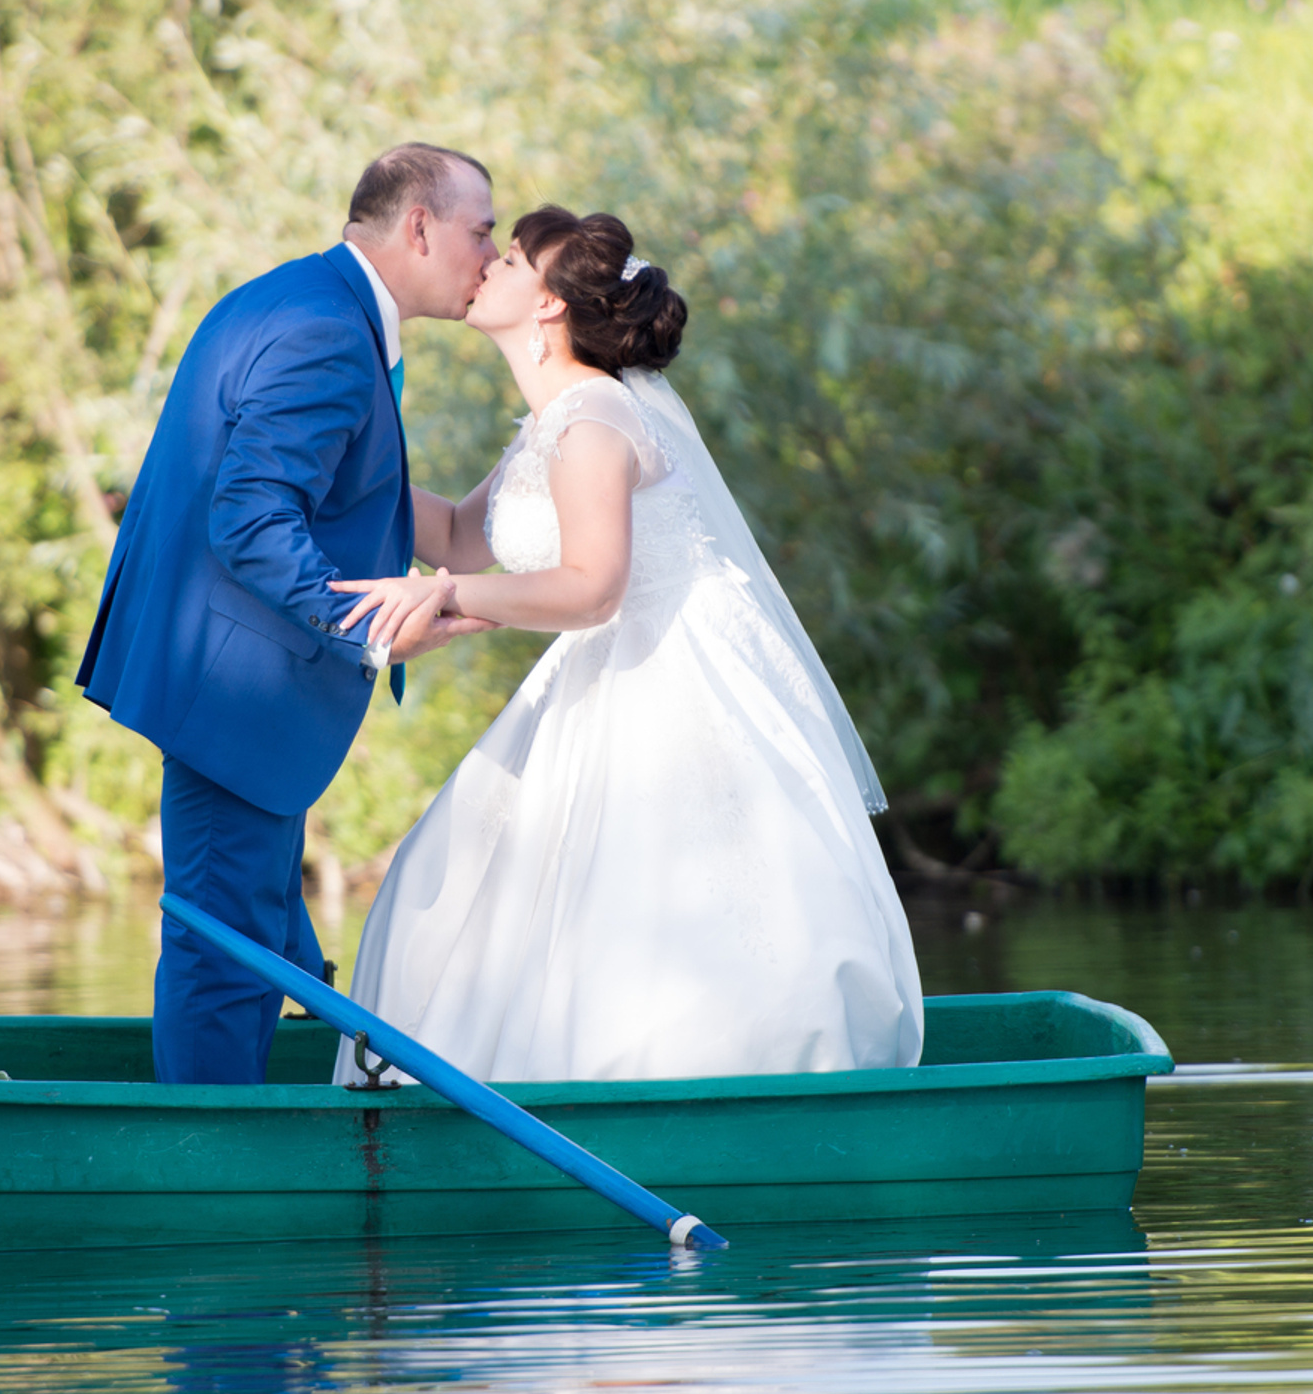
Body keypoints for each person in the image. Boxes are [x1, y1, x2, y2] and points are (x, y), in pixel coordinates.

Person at [329, 207, 922, 1084]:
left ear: (548, 309)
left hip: (669, 676)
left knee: (648, 908)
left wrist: (445, 597)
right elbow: (458, 534)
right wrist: (342, 477)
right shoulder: (555, 420)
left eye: (514, 256)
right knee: (449, 874)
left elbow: (591, 585)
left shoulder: (593, 419)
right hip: (604, 665)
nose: (488, 260)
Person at [75, 143, 496, 1083]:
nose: (492, 256)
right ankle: (216, 1165)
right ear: (419, 226)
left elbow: (345, 497)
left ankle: (341, 1054)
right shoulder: (328, 334)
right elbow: (251, 516)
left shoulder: (303, 299)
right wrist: (374, 625)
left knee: (253, 922)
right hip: (238, 692)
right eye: (482, 231)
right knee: (225, 948)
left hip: (220, 677)